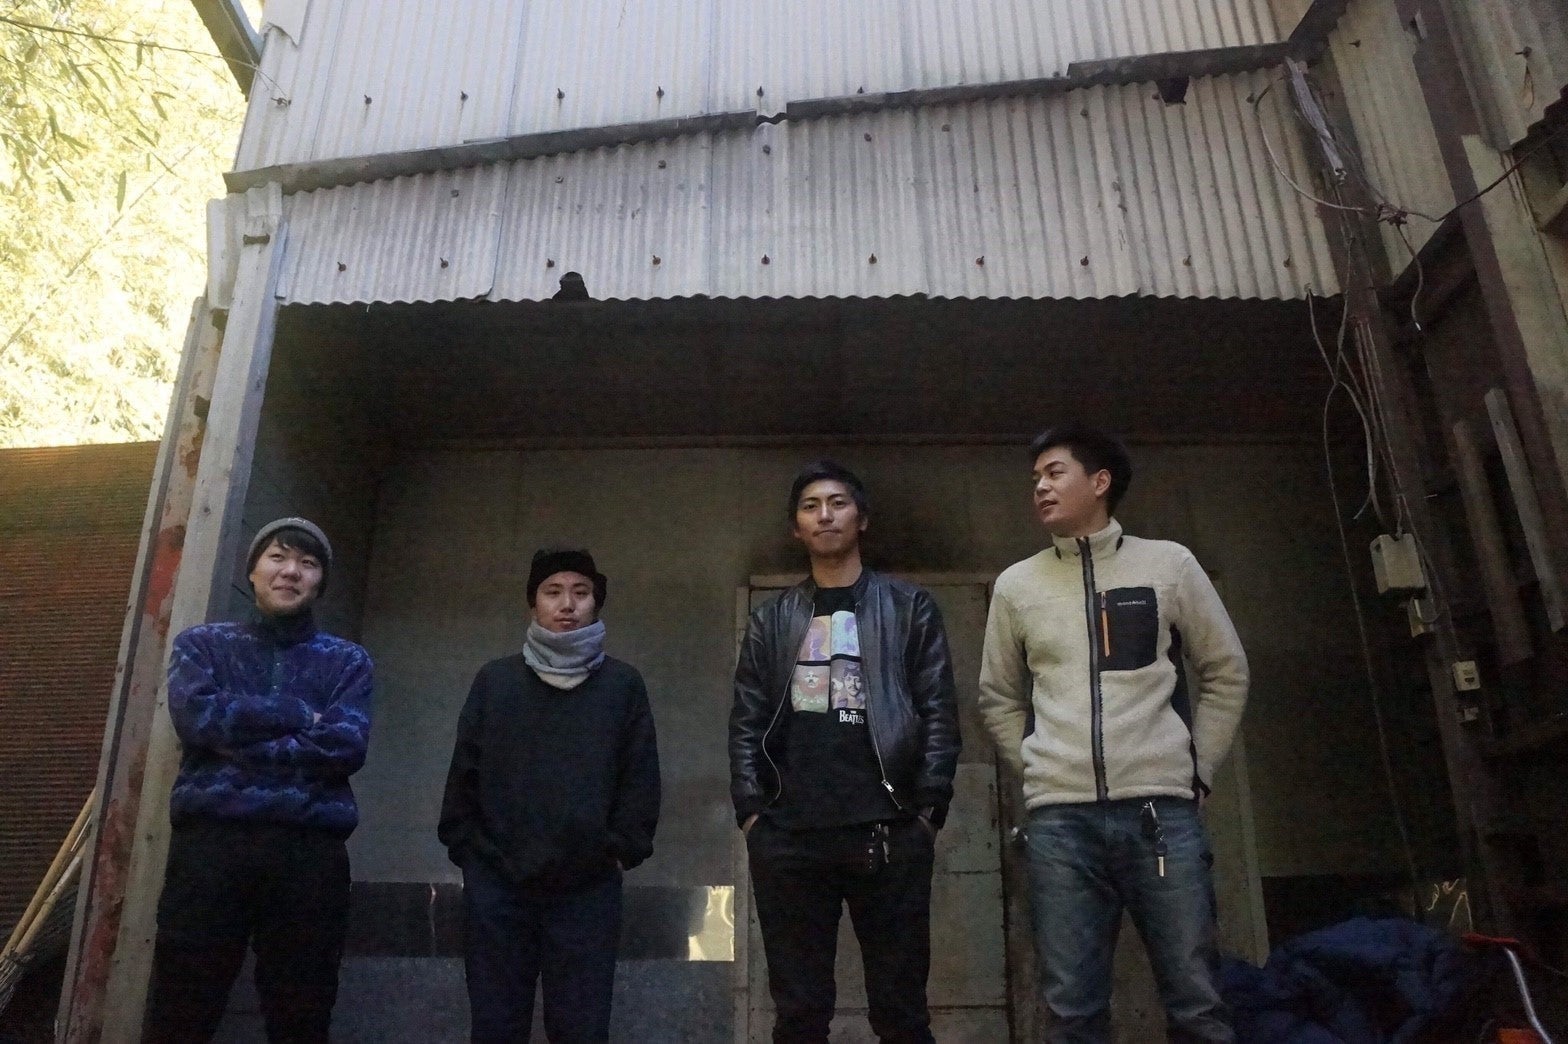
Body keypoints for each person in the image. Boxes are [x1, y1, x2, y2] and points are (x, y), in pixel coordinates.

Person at [978, 424, 1249, 1043]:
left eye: (1055, 473)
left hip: (1161, 815)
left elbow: (1225, 670)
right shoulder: (1017, 585)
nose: (1040, 488)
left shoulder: (1169, 564)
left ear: (1100, 482)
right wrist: (1039, 767)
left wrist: (1199, 767)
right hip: (1060, 825)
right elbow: (997, 695)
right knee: (1071, 1009)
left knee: (1197, 1002)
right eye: (1036, 478)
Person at [730, 461, 961, 1043]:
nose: (825, 514)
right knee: (799, 1016)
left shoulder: (908, 606)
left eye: (837, 503)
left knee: (902, 1013)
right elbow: (746, 721)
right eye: (810, 506)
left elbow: (938, 710)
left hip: (889, 831)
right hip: (789, 836)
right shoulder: (771, 619)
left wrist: (929, 810)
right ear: (796, 528)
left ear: (862, 519)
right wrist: (752, 813)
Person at [145, 517, 375, 1043]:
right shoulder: (202, 646)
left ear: (320, 582)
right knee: (183, 1007)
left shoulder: (347, 661)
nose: (291, 571)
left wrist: (238, 738)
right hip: (211, 849)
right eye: (277, 556)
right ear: (251, 571)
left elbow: (344, 746)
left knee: (302, 1013)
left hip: (308, 852)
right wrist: (298, 715)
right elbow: (199, 719)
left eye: (308, 563)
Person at [439, 548, 660, 1043]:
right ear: (533, 602)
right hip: (497, 885)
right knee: (496, 1025)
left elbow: (640, 778)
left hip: (588, 888)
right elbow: (463, 776)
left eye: (581, 592)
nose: (567, 604)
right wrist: (471, 853)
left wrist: (620, 851)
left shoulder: (622, 685)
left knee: (581, 1028)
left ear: (596, 604)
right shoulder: (495, 681)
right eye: (552, 591)